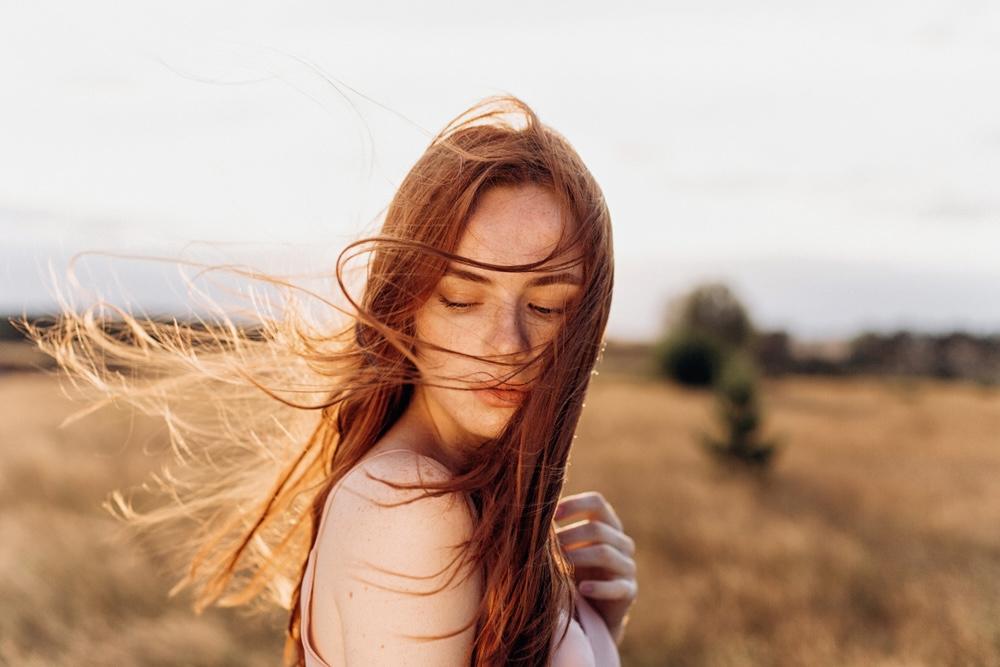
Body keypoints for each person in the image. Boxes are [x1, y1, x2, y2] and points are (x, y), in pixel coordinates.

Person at [21, 94, 637, 666]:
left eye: (547, 307)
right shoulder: (411, 509)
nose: (507, 344)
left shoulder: (471, 499)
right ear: (407, 305)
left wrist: (597, 619)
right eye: (459, 299)